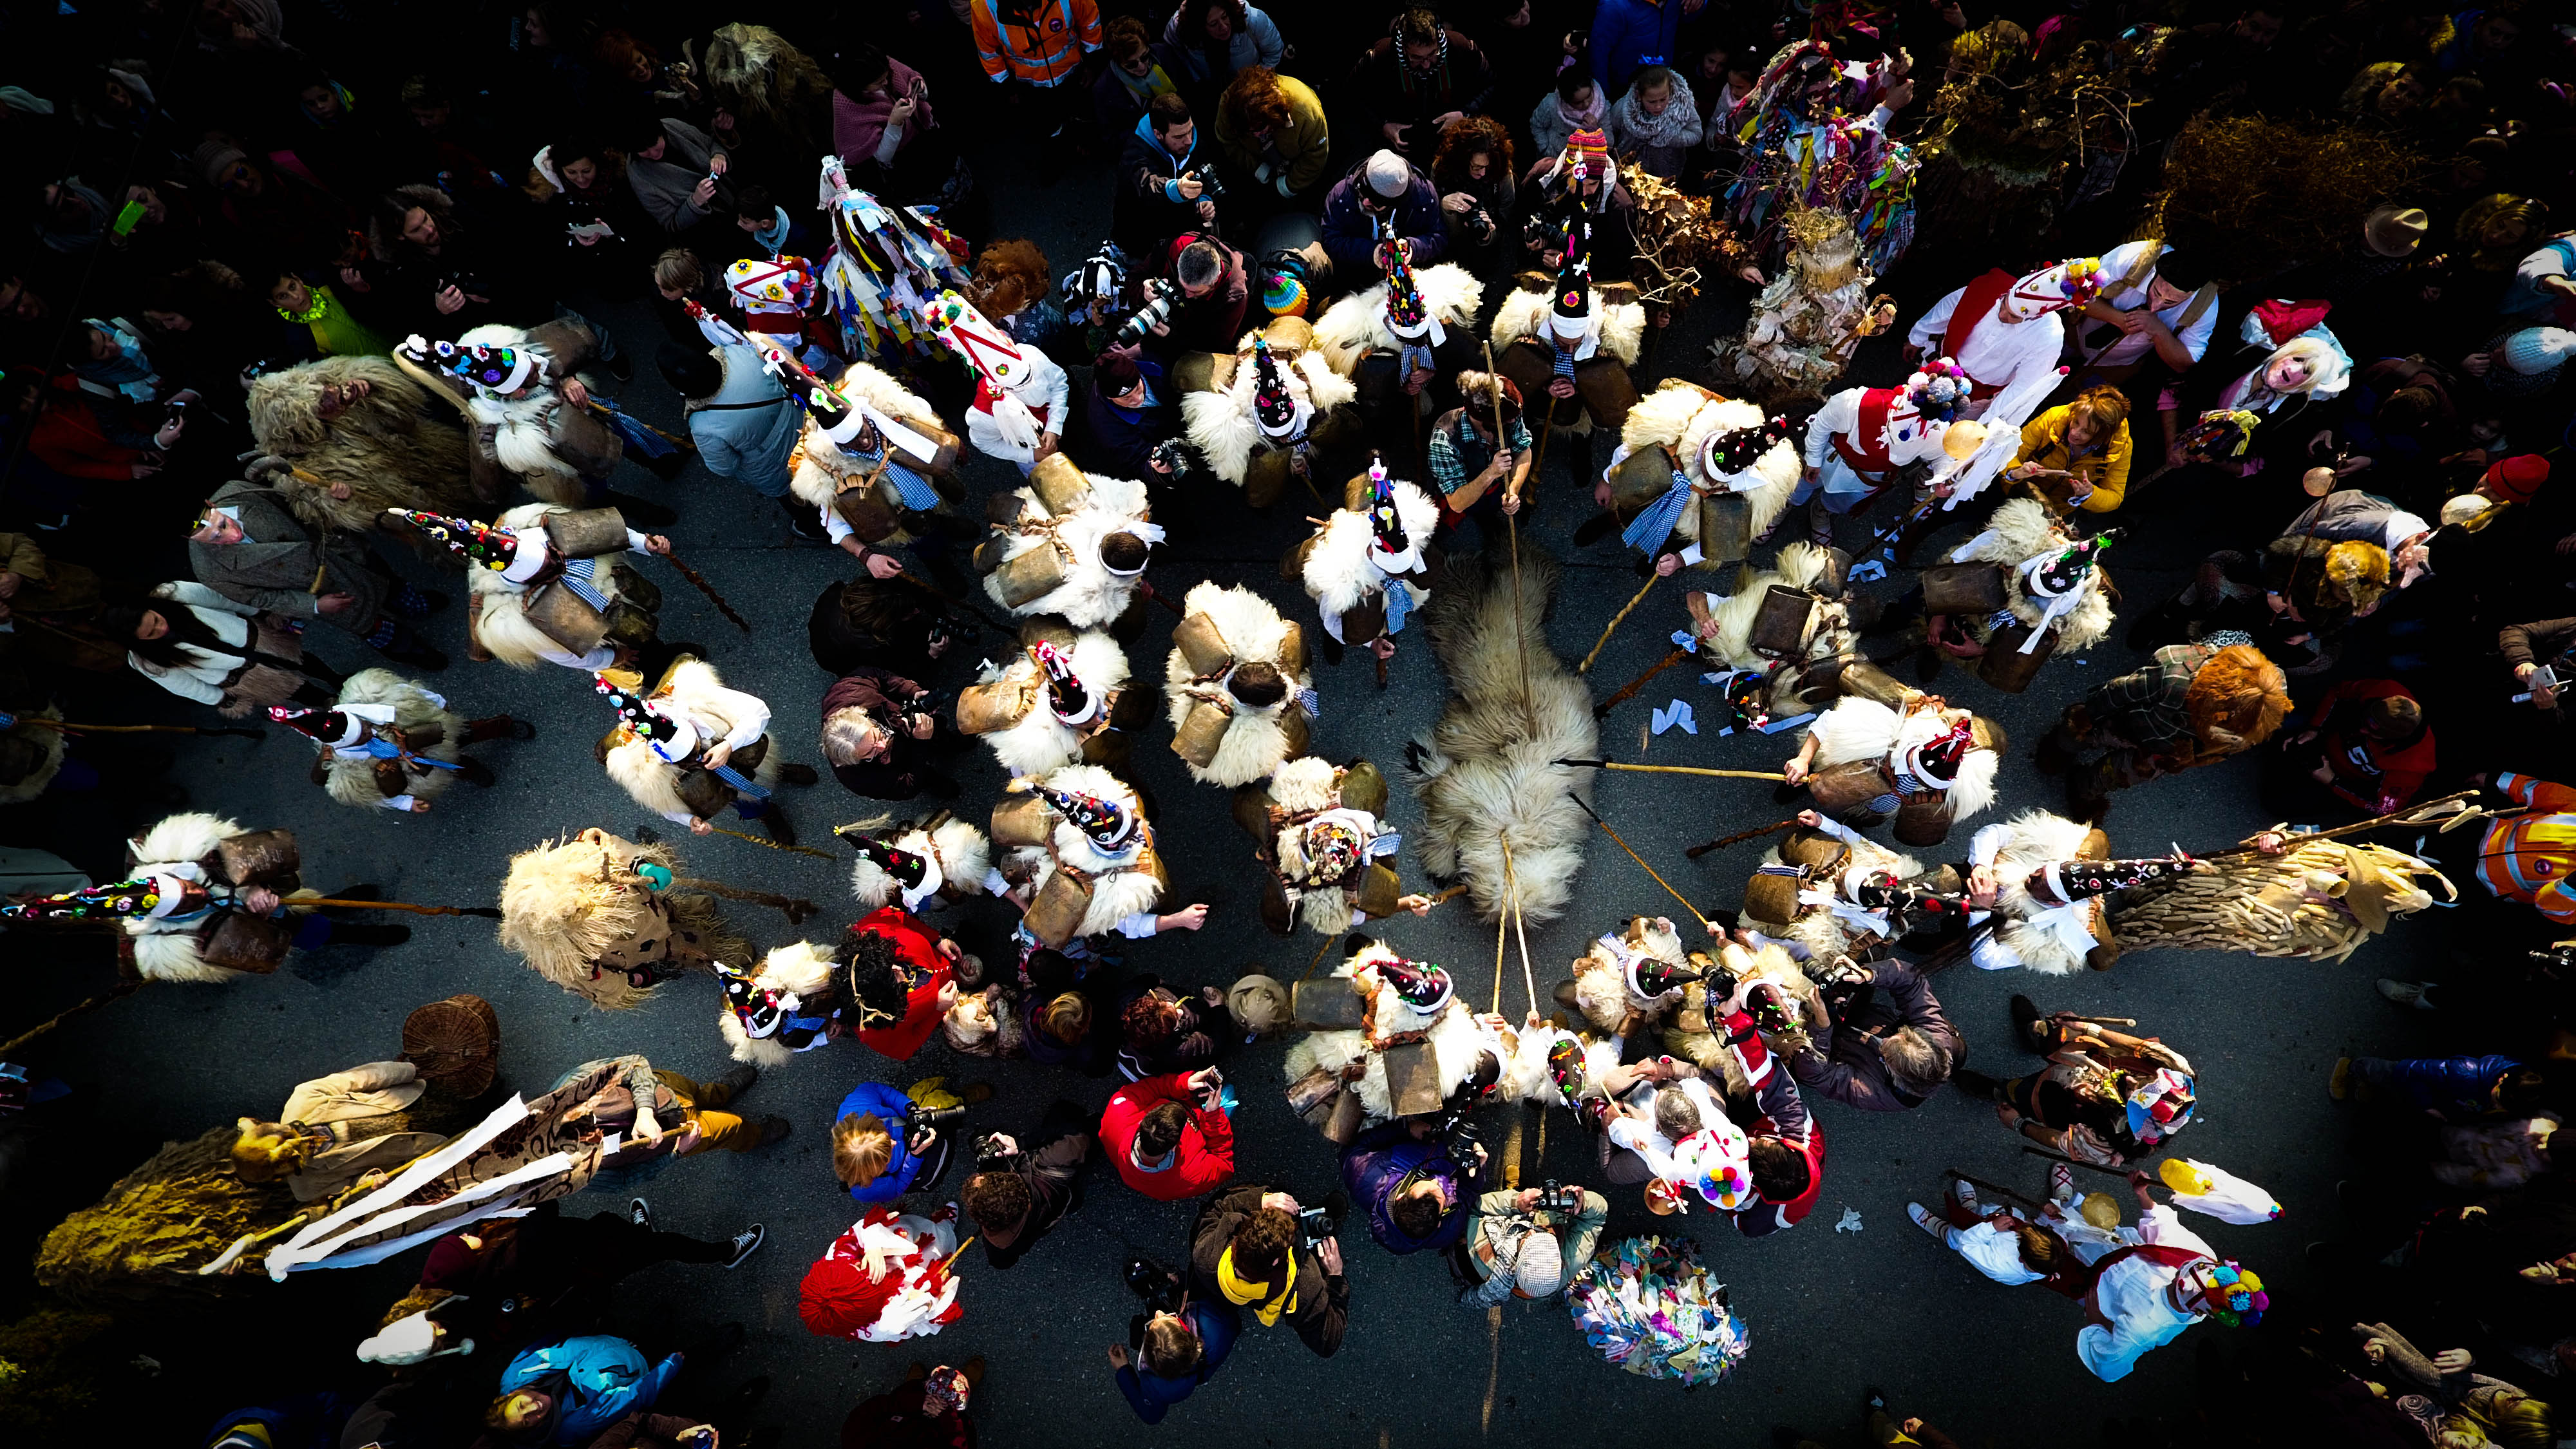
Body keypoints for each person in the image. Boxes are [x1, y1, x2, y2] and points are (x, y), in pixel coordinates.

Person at [187, 477, 446, 668]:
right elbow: (259, 599)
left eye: (223, 523)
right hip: (318, 589)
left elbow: (295, 500)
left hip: (337, 552)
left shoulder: (238, 491)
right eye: (215, 538)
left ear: (211, 504)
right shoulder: (209, 570)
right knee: (369, 624)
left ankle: (415, 605)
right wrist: (313, 606)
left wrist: (330, 495)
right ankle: (410, 649)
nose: (232, 535)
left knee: (386, 582)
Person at [2069, 1171, 2266, 1383]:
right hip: (2119, 1244)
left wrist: (2097, 1324)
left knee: (2053, 1255)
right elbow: (2167, 1229)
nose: (2173, 1275)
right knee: (2078, 1218)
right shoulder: (2205, 1258)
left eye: (2175, 1282)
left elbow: (2110, 1367)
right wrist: (2143, 1194)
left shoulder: (2144, 1330)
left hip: (2092, 1282)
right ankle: (2067, 1202)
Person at [592, 664, 819, 848]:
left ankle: (779, 771)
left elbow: (758, 711)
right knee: (735, 799)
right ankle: (766, 813)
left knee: (758, 761)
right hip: (719, 785)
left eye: (693, 750)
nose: (694, 759)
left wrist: (729, 744)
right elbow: (666, 805)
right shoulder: (638, 765)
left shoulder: (695, 699)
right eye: (684, 760)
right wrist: (689, 820)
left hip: (736, 751)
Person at [1188, 1183, 1349, 1358]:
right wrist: (1335, 1276)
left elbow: (1217, 1208)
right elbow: (1329, 1343)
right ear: (1276, 1261)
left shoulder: (1205, 1254)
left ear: (1238, 1240)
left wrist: (1261, 1200)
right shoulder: (1305, 1290)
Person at [1784, 958, 1961, 1112]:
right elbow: (1911, 980)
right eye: (1901, 1032)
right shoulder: (1936, 1035)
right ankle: (1959, 1055)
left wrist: (1821, 1026)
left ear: (1892, 1071)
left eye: (1886, 1046)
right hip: (1860, 1016)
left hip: (1837, 1043)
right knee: (1958, 1052)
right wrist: (1868, 975)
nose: (1884, 1037)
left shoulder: (1876, 1094)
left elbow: (1815, 1075)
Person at [660, 340, 800, 520]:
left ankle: (812, 528)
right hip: (799, 423)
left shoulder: (703, 426)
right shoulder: (737, 354)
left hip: (777, 470)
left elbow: (725, 467)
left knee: (797, 501)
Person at [2262, 679, 2435, 821]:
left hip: (2340, 778)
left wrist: (2332, 781)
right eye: (2364, 722)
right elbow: (2337, 691)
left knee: (2277, 802)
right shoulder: (2385, 689)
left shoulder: (2412, 766)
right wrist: (2314, 728)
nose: (2362, 731)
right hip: (2325, 737)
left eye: (2370, 732)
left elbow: (2384, 808)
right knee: (2271, 720)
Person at [1354, 9, 1494, 169]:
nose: (1427, 64)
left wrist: (1465, 114)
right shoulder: (1379, 57)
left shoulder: (1461, 47)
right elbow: (1353, 95)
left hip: (1451, 144)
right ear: (1404, 48)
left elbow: (1490, 85)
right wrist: (1382, 125)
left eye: (1433, 54)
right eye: (1416, 58)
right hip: (1398, 149)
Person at [484, 1333, 682, 1446]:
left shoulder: (515, 1375)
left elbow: (548, 1341)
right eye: (527, 1421)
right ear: (531, 1431)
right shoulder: (575, 1425)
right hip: (635, 1364)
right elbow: (632, 1398)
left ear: (512, 1395)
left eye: (520, 1406)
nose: (533, 1409)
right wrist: (670, 1365)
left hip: (607, 1340)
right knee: (661, 1344)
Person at [960, 1100, 1094, 1267]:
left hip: (1044, 1216)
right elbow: (1079, 1133)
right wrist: (1022, 1144)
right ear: (1010, 1179)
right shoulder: (1058, 1160)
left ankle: (1072, 1207)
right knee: (1063, 1113)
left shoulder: (1001, 1239)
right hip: (1059, 1188)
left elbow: (1002, 1263)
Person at [1340, 1117, 1482, 1255]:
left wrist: (1405, 1130)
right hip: (1437, 1158)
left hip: (1398, 1157)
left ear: (1401, 1197)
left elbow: (1354, 1148)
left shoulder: (1365, 1176)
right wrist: (1478, 1169)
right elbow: (1470, 1190)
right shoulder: (1448, 1230)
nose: (1436, 1181)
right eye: (1443, 1198)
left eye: (1426, 1184)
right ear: (1439, 1224)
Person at [1426, 370, 1529, 551]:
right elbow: (1457, 503)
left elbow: (1524, 450)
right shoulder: (1445, 439)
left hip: (1496, 491)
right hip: (1463, 495)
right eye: (1507, 420)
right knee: (1444, 529)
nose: (1514, 421)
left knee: (1488, 513)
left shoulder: (1509, 414)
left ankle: (1488, 519)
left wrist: (1512, 491)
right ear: (1484, 419)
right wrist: (1491, 473)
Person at [970, 0, 1104, 140]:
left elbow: (1090, 22)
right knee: (1049, 128)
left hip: (1075, 73)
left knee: (1083, 116)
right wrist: (1007, 87)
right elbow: (989, 54)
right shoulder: (984, 6)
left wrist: (1092, 63)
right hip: (1030, 87)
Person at [1455, 1184, 1609, 1304]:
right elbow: (1597, 1218)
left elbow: (1475, 1209)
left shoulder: (1481, 1245)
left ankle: (1514, 1188)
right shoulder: (1572, 1262)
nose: (1535, 1231)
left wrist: (1515, 1202)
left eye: (1530, 1236)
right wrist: (1583, 1206)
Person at [821, 667, 960, 800]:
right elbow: (906, 788)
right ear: (854, 761)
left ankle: (951, 742)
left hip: (904, 722)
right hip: (902, 761)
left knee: (940, 732)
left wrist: (910, 691)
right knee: (924, 775)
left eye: (876, 736)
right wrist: (921, 743)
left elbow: (877, 675)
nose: (883, 745)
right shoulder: (856, 778)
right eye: (870, 752)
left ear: (863, 716)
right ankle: (936, 783)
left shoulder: (848, 690)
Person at [1110, 1281, 1238, 1424]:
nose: (1158, 1313)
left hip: (1198, 1371)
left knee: (1136, 1328)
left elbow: (1151, 1416)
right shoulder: (1214, 1326)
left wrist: (1123, 1370)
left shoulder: (1159, 1388)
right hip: (1220, 1337)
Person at [1103, 1067, 1235, 1201]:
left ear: (1142, 1122)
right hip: (1205, 1122)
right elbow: (1224, 1163)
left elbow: (1150, 1088)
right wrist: (1214, 1117)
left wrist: (1184, 1084)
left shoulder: (1116, 1115)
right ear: (1174, 1147)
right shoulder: (1191, 1177)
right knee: (1227, 1093)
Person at [1320, 150, 1446, 284]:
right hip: (1354, 278)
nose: (1365, 202)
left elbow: (1438, 237)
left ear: (1395, 202)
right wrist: (1371, 252)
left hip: (1409, 280)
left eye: (1376, 201)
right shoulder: (1341, 195)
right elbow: (1330, 239)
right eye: (1362, 193)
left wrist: (1413, 248)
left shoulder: (1425, 197)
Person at [1213, 64, 1331, 207]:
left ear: (1274, 116)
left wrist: (1288, 185)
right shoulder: (1228, 105)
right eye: (1248, 131)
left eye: (1261, 128)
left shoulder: (1306, 112)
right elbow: (1227, 140)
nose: (1256, 135)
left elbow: (1315, 156)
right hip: (1254, 166)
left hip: (1296, 170)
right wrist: (1257, 169)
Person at [1117, 93, 1216, 258]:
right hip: (1146, 236)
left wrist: (1204, 199)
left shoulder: (1193, 140)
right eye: (1179, 137)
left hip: (1183, 224)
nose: (1189, 141)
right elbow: (1148, 184)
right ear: (1158, 134)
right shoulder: (1135, 154)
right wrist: (1176, 189)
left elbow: (1205, 170)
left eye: (1190, 131)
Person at [2010, 386, 2134, 516]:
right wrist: (2015, 471)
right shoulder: (2054, 417)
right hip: (2016, 492)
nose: (2074, 432)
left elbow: (2115, 497)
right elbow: (2009, 453)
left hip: (2055, 513)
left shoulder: (2120, 446)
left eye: (2086, 431)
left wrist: (2089, 494)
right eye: (2076, 422)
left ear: (2104, 436)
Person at [832, 1079, 949, 1202]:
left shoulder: (856, 1106)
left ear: (871, 1124)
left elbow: (875, 1089)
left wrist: (910, 1109)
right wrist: (914, 1156)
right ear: (872, 1173)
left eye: (887, 1138)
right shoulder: (866, 1189)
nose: (894, 1143)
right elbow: (897, 1188)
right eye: (886, 1158)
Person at [835, 1362, 981, 1447]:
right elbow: (960, 1444)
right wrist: (948, 1417)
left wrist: (916, 1402)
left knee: (910, 1390)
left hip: (904, 1412)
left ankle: (915, 1383)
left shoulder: (855, 1442)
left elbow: (865, 1415)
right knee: (957, 1405)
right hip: (942, 1428)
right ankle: (964, 1388)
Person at [1607, 65, 1701, 180]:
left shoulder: (1683, 107)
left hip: (1666, 173)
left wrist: (1668, 137)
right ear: (1639, 96)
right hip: (1628, 172)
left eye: (1663, 99)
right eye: (1652, 102)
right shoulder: (1624, 109)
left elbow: (1696, 133)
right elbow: (1611, 129)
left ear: (1670, 91)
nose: (1658, 106)